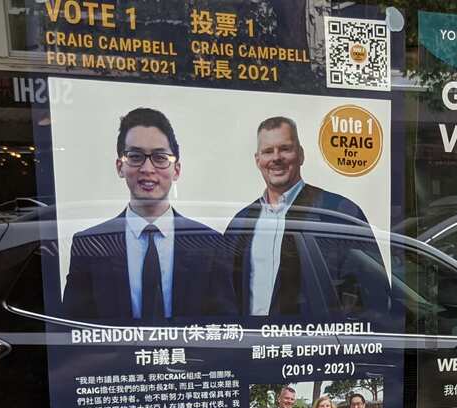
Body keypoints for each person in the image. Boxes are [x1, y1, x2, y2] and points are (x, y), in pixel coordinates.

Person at [61, 107, 234, 323]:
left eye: (160, 158)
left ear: (177, 169)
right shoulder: (90, 244)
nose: (147, 168)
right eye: (135, 156)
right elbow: (73, 329)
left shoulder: (211, 244)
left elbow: (226, 328)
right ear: (120, 167)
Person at [225, 116, 385, 317]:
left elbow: (373, 294)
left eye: (285, 148)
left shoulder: (338, 213)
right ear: (258, 160)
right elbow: (223, 295)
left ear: (300, 155)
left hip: (314, 344)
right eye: (268, 151)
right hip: (255, 344)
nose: (276, 158)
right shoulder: (241, 223)